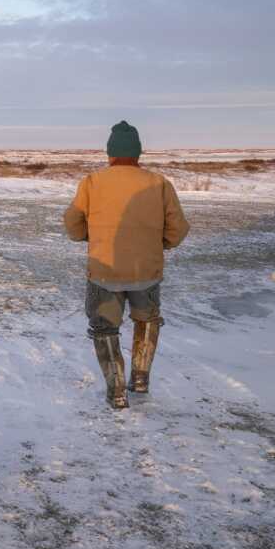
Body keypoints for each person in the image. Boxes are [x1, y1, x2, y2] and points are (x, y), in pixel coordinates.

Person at [64, 121, 190, 409]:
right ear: (138, 153)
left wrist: (88, 236)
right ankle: (141, 379)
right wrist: (160, 245)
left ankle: (117, 390)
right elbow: (178, 228)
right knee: (146, 321)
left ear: (110, 153)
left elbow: (72, 223)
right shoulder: (158, 183)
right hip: (146, 271)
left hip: (104, 271)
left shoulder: (93, 182)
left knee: (104, 328)